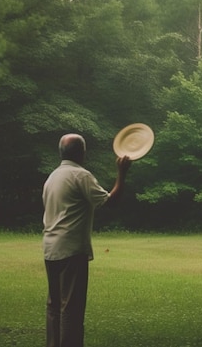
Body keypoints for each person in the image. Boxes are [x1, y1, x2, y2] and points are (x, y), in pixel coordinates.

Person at [42, 133, 132, 347]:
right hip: (71, 249)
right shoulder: (80, 175)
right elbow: (110, 202)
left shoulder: (52, 177)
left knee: (54, 307)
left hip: (49, 248)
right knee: (71, 309)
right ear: (81, 153)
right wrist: (121, 173)